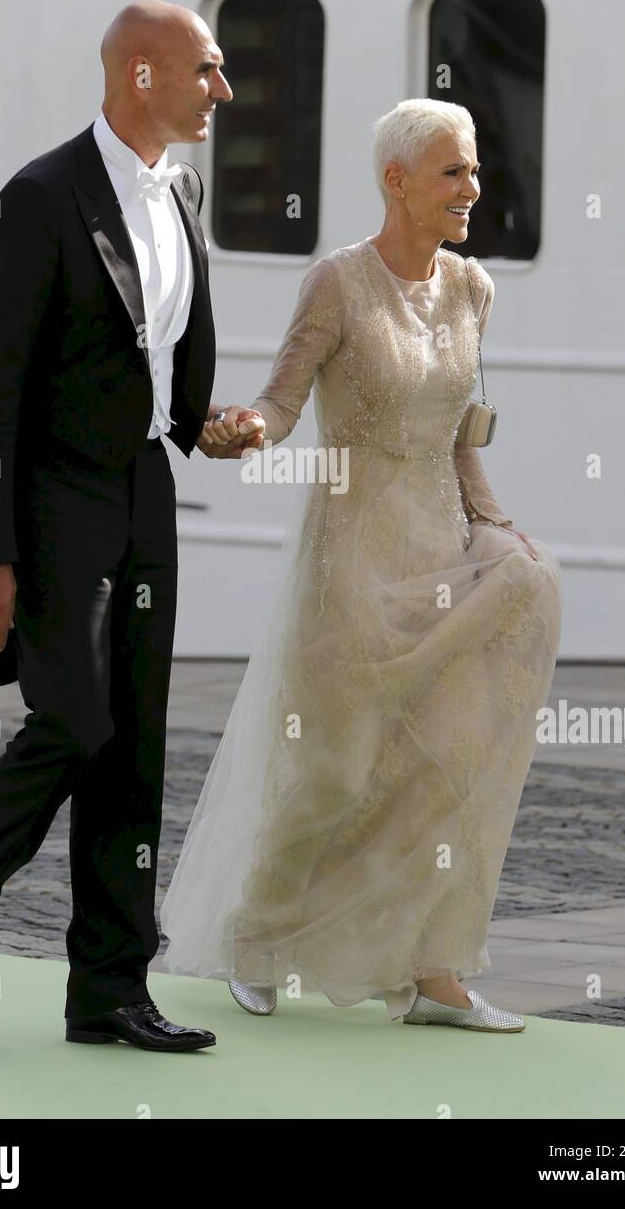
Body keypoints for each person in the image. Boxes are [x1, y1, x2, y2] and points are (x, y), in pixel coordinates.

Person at [161, 98, 562, 1032]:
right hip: (349, 556)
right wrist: (247, 430)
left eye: (471, 169)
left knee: (447, 764)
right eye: (454, 171)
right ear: (397, 181)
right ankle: (256, 940)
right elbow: (282, 397)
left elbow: (464, 431)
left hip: (443, 555)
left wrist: (497, 524)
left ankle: (431, 971)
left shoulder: (473, 290)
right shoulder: (338, 282)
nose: (473, 187)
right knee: (335, 769)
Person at [0, 0, 264, 1053]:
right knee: (74, 719)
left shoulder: (182, 187)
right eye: (205, 70)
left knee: (136, 747)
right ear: (140, 75)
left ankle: (108, 991)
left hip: (142, 492)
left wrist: (196, 426)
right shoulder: (36, 199)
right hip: (51, 499)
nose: (222, 90)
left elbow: (145, 349)